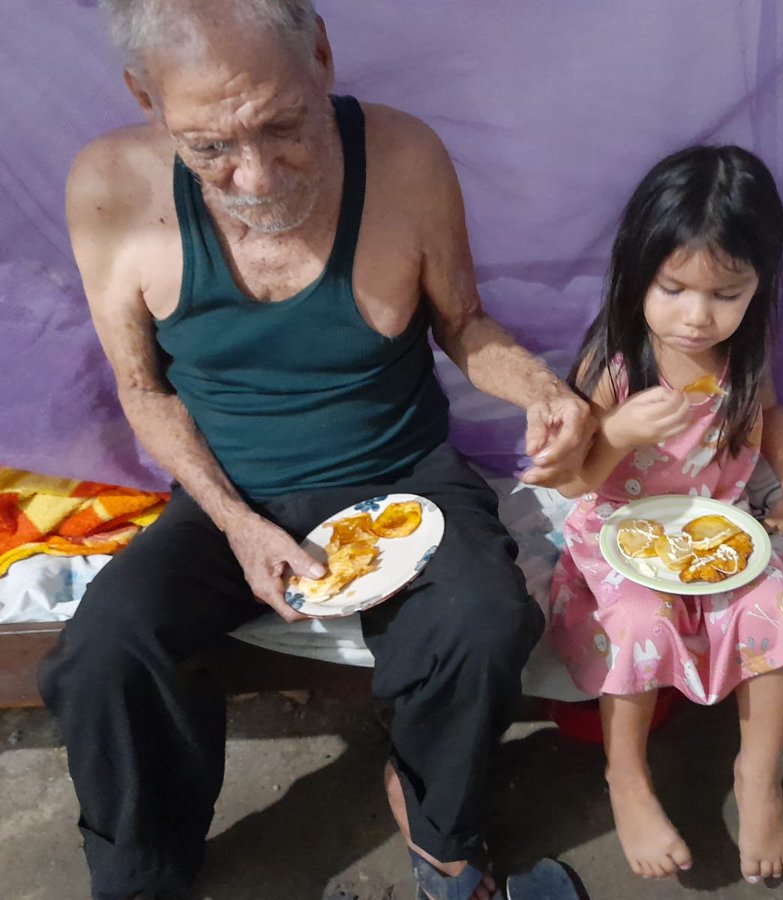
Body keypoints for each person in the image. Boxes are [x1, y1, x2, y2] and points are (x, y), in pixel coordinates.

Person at [36, 2, 592, 899]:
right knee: (102, 653)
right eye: (209, 146)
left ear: (322, 56)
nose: (253, 175)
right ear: (146, 96)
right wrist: (235, 522)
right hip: (232, 496)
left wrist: (543, 391)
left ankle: (442, 834)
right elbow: (142, 390)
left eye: (283, 124)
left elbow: (464, 323)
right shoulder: (110, 187)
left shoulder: (403, 156)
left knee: (483, 621)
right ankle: (145, 877)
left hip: (402, 472)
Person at [547, 145, 783, 885]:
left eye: (726, 294)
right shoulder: (614, 363)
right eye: (673, 288)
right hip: (619, 532)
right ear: (637, 271)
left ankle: (758, 773)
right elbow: (571, 481)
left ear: (760, 286)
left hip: (711, 530)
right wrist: (617, 434)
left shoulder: (743, 358)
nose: (696, 317)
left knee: (776, 608)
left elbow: (771, 418)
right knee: (642, 626)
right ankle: (627, 778)